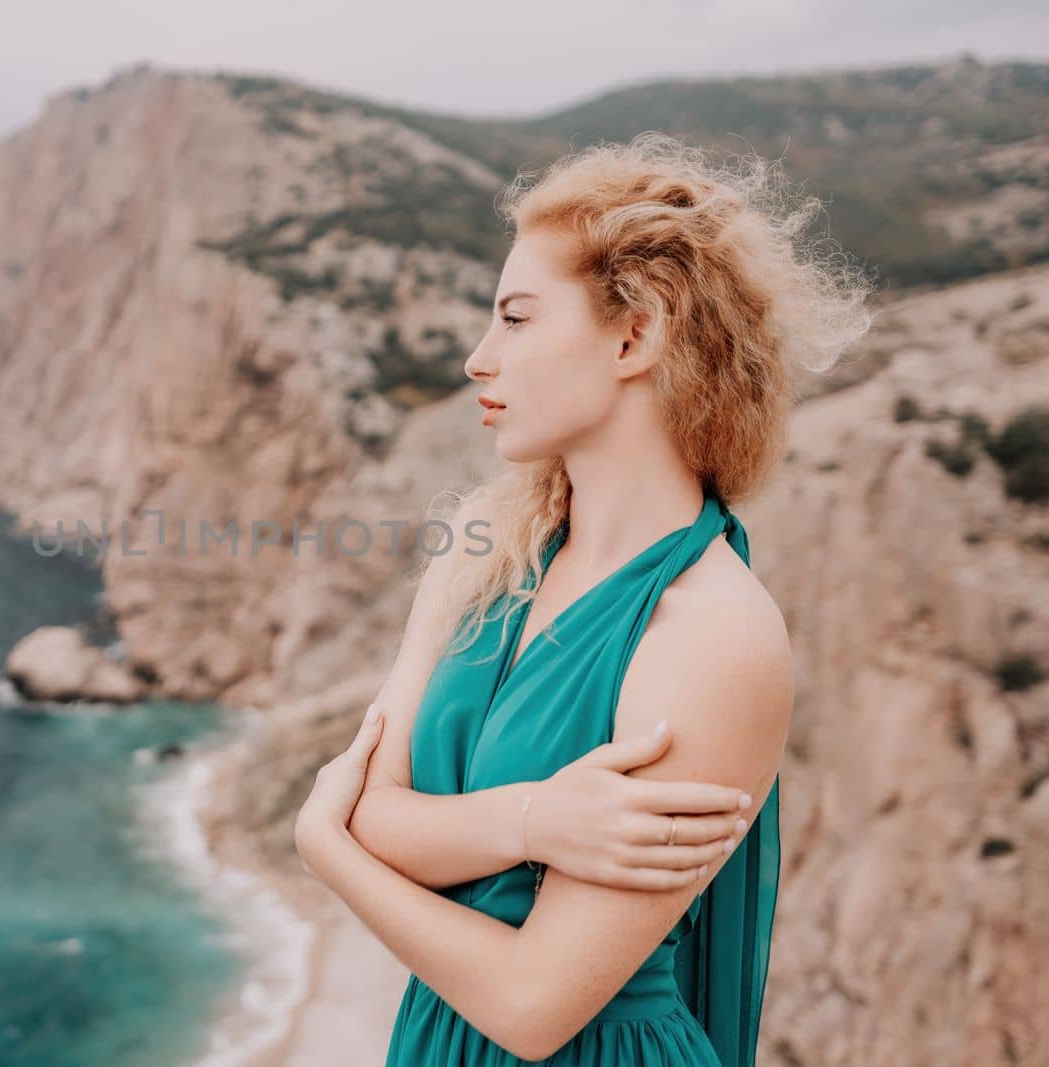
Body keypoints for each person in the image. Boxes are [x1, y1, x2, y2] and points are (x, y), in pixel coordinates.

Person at [293, 131, 874, 1065]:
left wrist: (324, 846)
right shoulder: (484, 561)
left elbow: (531, 1003)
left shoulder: (714, 632)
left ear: (634, 334)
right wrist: (533, 820)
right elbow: (372, 810)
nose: (480, 360)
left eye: (516, 319)